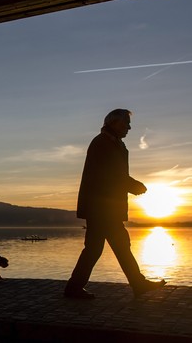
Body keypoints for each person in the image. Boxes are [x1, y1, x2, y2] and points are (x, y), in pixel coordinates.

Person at [65, 109, 166, 299]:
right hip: (101, 207)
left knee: (105, 247)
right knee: (110, 246)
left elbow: (114, 174)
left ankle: (135, 283)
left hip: (106, 207)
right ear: (113, 123)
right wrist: (132, 185)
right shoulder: (102, 143)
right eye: (125, 123)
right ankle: (136, 283)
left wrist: (130, 185)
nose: (129, 127)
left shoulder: (115, 144)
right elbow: (108, 174)